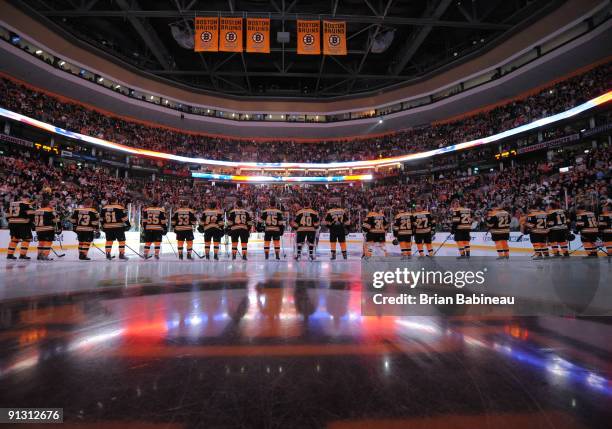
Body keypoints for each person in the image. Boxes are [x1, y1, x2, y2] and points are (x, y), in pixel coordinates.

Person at [6, 193, 35, 260]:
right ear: (27, 198)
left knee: (14, 239)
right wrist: (30, 222)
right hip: (23, 224)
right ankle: (22, 255)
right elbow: (31, 215)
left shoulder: (11, 204)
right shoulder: (27, 204)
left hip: (12, 224)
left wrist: (11, 221)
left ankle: (9, 254)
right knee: (26, 239)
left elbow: (7, 216)